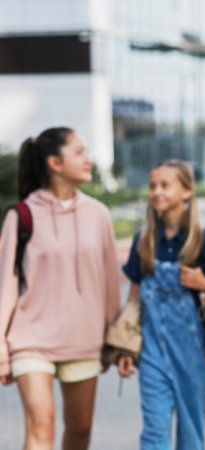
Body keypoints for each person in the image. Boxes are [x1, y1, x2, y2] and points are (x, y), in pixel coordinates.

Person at [0, 127, 120, 450]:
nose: (88, 159)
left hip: (84, 339)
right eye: (79, 153)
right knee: (41, 425)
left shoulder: (98, 215)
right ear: (55, 162)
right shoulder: (21, 216)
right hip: (31, 339)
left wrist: (117, 339)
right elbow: (6, 287)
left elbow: (110, 282)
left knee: (80, 429)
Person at [115, 160, 205, 450]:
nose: (156, 191)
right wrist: (125, 346)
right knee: (154, 433)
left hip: (193, 356)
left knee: (191, 435)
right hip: (152, 353)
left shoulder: (204, 241)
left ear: (186, 192)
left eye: (165, 185)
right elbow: (133, 298)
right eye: (152, 185)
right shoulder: (143, 241)